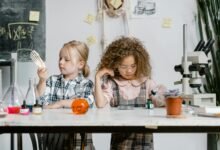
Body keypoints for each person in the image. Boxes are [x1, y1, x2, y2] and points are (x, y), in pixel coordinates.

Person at [95, 36, 166, 150]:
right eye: (124, 66)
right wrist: (98, 77)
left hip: (144, 139)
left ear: (139, 63)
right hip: (120, 141)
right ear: (115, 65)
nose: (129, 71)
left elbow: (160, 99)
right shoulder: (112, 84)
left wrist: (165, 97)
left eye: (133, 66)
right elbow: (100, 103)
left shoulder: (146, 82)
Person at [37, 40, 95, 150]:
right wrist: (42, 80)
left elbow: (87, 103)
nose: (61, 62)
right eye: (60, 58)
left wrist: (60, 103)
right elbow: (41, 102)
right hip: (54, 140)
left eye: (66, 60)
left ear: (80, 64)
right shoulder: (52, 80)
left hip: (78, 142)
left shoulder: (86, 84)